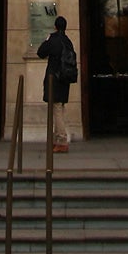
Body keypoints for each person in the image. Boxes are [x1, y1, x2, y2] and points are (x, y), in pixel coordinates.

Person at [36, 15, 78, 153]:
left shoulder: (53, 39)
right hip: (64, 79)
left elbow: (41, 52)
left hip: (54, 78)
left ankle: (61, 140)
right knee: (59, 108)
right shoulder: (67, 41)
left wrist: (47, 39)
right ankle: (56, 140)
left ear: (55, 26)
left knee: (57, 109)